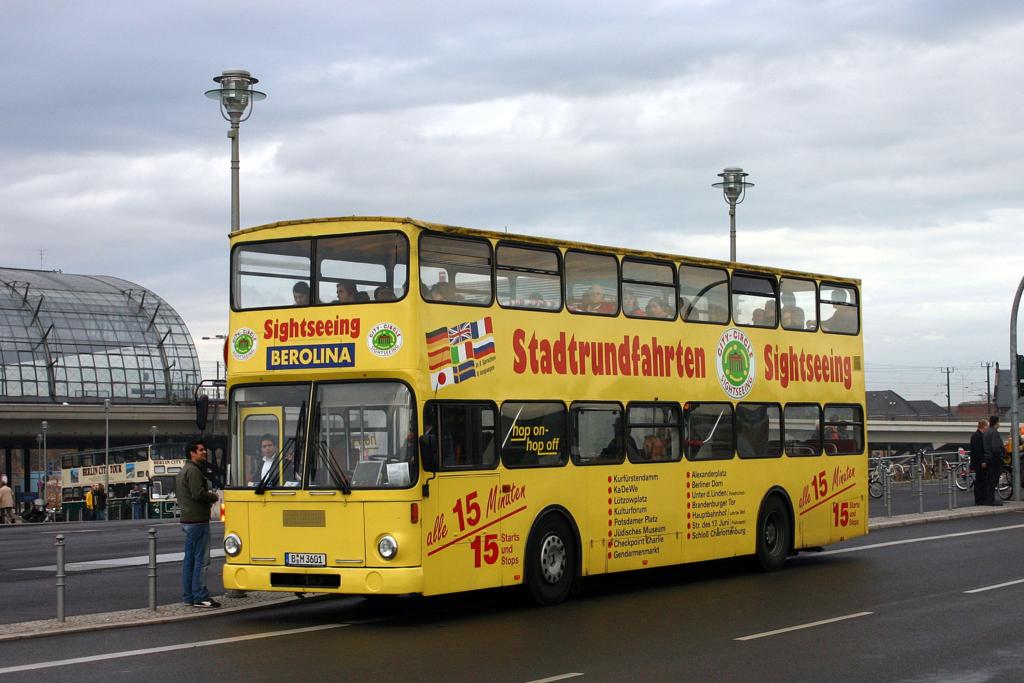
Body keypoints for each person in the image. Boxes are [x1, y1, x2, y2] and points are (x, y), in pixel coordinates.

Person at [175, 440, 221, 608]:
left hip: (187, 519)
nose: (204, 452)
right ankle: (200, 596)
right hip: (197, 520)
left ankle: (189, 596)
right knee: (201, 560)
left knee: (189, 560)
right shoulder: (194, 471)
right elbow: (198, 494)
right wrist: (214, 496)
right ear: (192, 453)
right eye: (201, 450)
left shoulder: (183, 471)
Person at [981, 415, 1005, 506]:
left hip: (988, 458)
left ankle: (989, 499)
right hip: (994, 459)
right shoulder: (994, 432)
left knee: (989, 479)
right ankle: (991, 500)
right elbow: (995, 447)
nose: (999, 423)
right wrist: (1000, 456)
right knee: (993, 480)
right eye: (999, 421)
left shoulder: (987, 432)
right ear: (996, 422)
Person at [969, 419, 989, 505]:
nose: (988, 428)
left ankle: (983, 498)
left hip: (980, 462)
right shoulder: (976, 436)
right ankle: (979, 499)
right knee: (980, 481)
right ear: (984, 426)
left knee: (983, 480)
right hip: (978, 463)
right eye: (987, 426)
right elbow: (978, 451)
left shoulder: (980, 435)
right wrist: (982, 461)